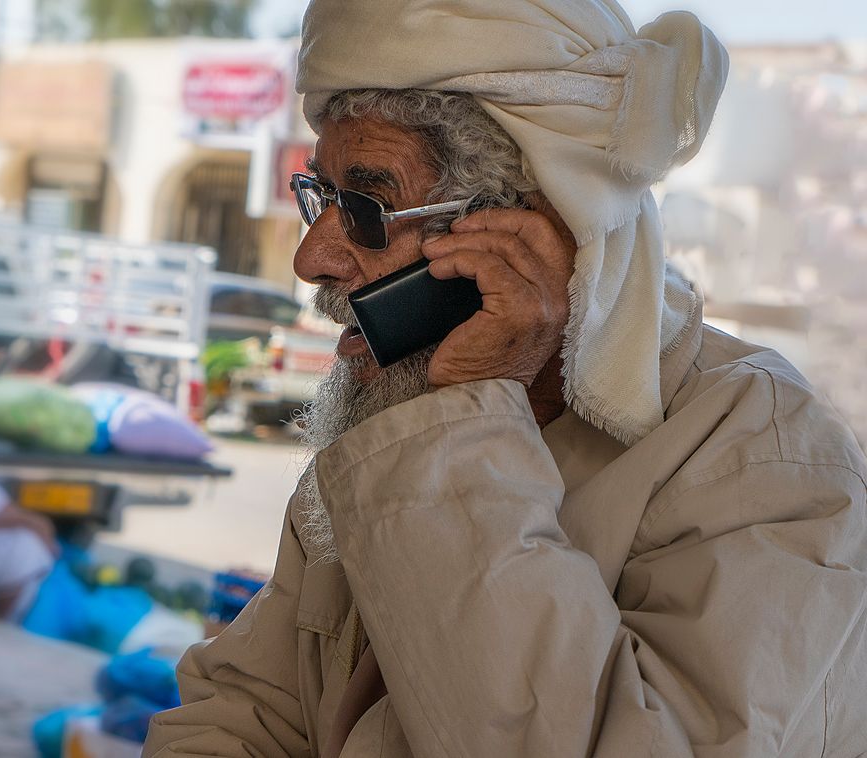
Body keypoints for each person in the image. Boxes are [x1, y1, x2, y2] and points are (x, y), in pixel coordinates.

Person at [145, 2, 867, 755]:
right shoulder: (395, 416)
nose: (312, 258)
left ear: (537, 225)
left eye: (367, 205)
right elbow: (246, 711)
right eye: (319, 198)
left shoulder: (763, 457)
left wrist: (466, 422)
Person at [0, 455, 58, 622]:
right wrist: (29, 522)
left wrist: (38, 524)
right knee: (24, 547)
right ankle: (0, 624)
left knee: (31, 546)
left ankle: (1, 625)